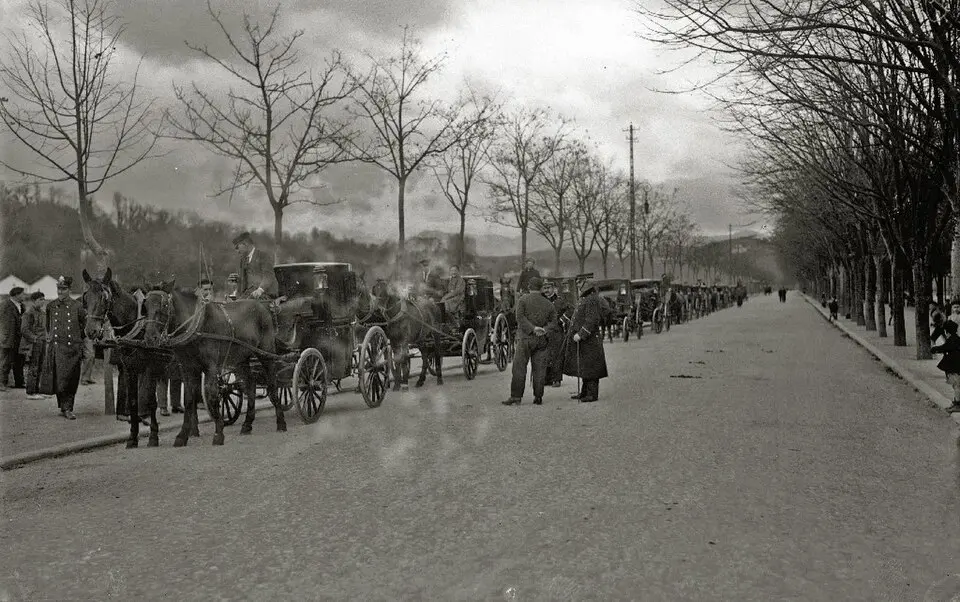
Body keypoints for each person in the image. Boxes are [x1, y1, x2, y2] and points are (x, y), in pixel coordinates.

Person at [502, 277, 557, 406]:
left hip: (525, 338)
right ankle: (538, 396)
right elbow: (554, 322)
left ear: (529, 287)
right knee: (540, 369)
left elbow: (519, 317)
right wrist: (543, 329)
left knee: (519, 368)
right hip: (542, 340)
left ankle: (516, 397)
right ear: (541, 288)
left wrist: (532, 329)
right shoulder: (548, 303)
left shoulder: (523, 300)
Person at [42, 276, 86, 419]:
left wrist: (78, 342)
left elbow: (83, 326)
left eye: (64, 289)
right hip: (57, 347)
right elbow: (48, 325)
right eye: (59, 289)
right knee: (60, 380)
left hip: (73, 348)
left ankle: (68, 408)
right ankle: (63, 406)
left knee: (71, 379)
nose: (60, 292)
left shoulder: (77, 306)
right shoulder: (51, 306)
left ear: (69, 290)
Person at [562, 279, 609, 403]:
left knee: (591, 367)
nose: (578, 286)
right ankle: (584, 392)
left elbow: (591, 320)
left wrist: (581, 334)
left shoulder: (591, 299)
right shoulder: (587, 298)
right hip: (586, 341)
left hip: (590, 340)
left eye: (580, 284)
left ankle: (592, 394)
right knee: (585, 366)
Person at [232, 231, 277, 299]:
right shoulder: (243, 260)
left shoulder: (263, 256)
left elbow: (268, 276)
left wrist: (260, 290)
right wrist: (236, 293)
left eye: (237, 247)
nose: (237, 251)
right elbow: (243, 283)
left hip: (266, 295)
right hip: (249, 296)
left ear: (246, 244)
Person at [21, 292, 47, 400]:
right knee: (33, 367)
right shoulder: (28, 313)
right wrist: (34, 338)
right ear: (34, 300)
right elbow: (24, 329)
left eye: (43, 299)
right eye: (40, 299)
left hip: (42, 342)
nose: (42, 301)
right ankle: (30, 392)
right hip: (33, 344)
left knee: (40, 367)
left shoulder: (42, 312)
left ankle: (37, 390)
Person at [543, 280, 570, 387]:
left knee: (556, 355)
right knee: (544, 355)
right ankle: (546, 378)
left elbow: (570, 310)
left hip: (556, 332)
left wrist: (562, 320)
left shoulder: (560, 301)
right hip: (543, 331)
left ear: (553, 289)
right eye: (544, 288)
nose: (546, 290)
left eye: (548, 288)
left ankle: (556, 379)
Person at [931, 319, 960, 413]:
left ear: (947, 332)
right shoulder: (956, 338)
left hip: (955, 367)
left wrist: (934, 349)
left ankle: (958, 405)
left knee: (956, 385)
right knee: (956, 385)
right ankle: (956, 402)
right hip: (956, 366)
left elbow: (944, 347)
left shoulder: (952, 340)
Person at [0, 286, 25, 390]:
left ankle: (19, 382)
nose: (24, 296)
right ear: (16, 295)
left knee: (19, 361)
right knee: (5, 362)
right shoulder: (5, 305)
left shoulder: (21, 306)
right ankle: (1, 383)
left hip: (18, 339)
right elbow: (4, 324)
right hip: (8, 338)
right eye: (22, 294)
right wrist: (4, 338)